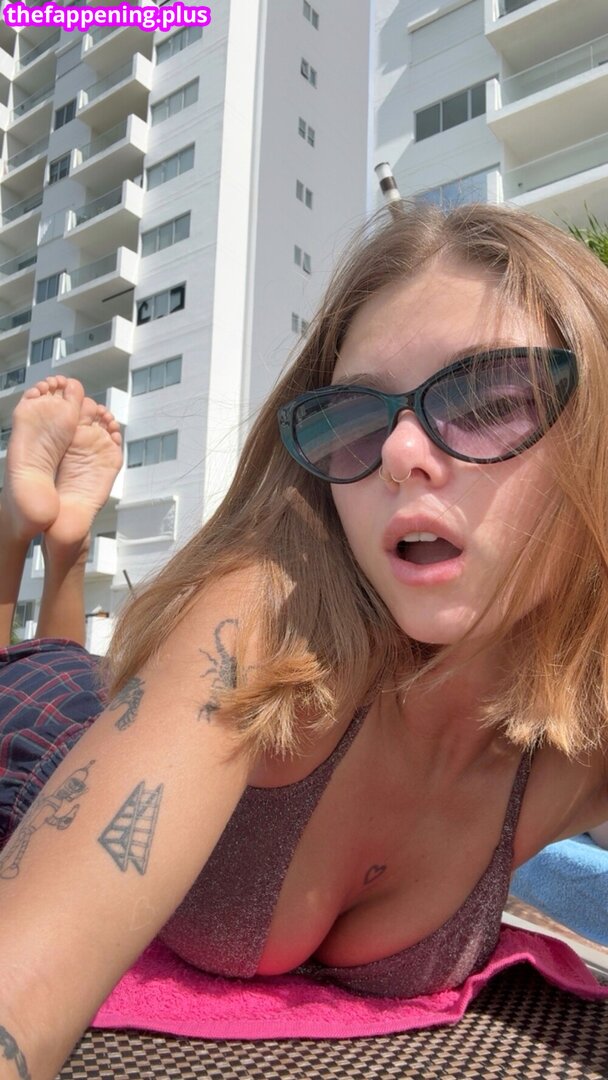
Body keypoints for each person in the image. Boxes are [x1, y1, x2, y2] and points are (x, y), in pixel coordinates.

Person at [1, 201, 608, 1080]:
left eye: (490, 400)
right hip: (45, 735)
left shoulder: (577, 755)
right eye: (356, 419)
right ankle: (25, 535)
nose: (399, 451)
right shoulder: (269, 619)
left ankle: (64, 543)